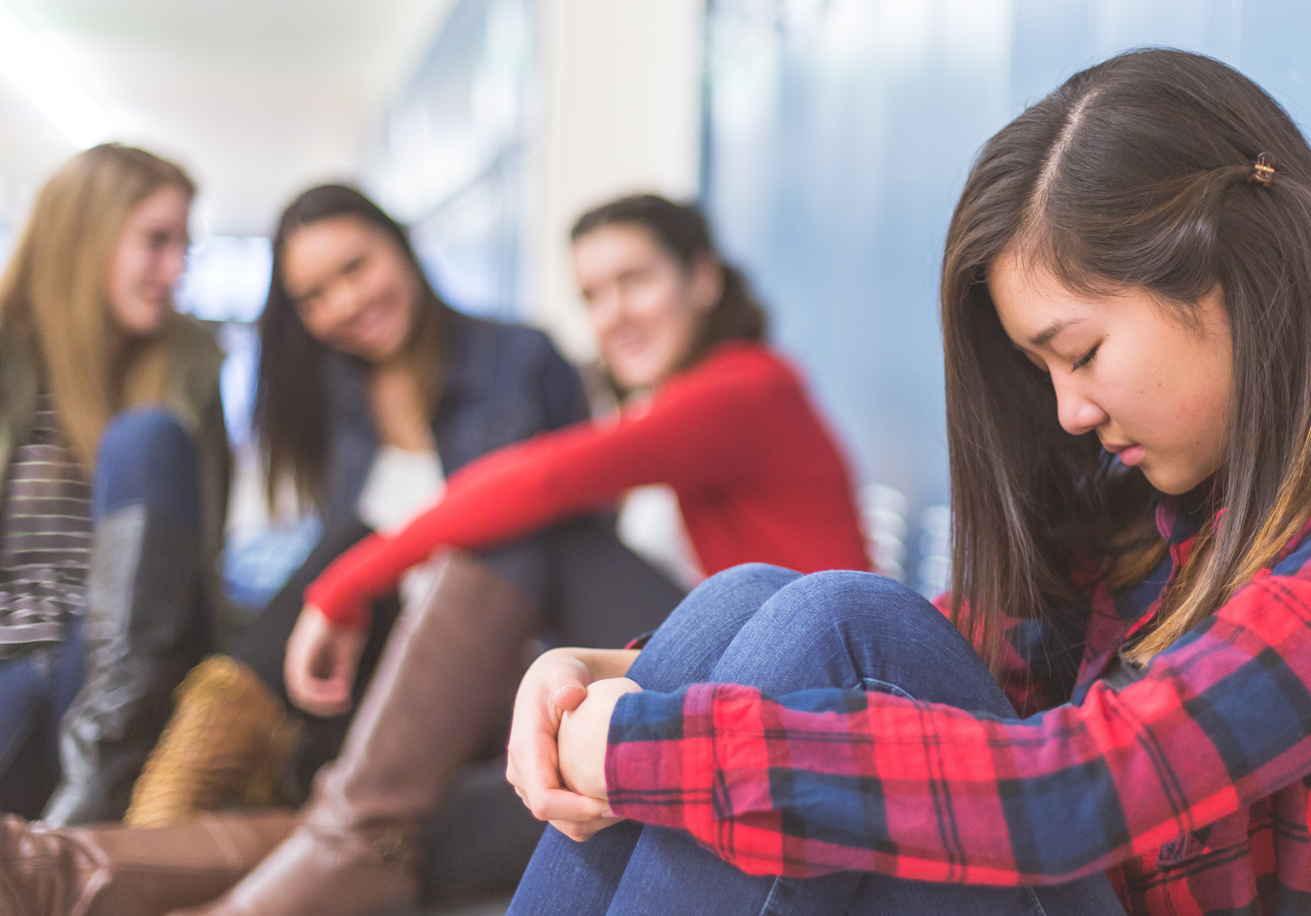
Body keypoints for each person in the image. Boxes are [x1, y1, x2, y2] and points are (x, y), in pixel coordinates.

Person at [505, 49, 1311, 916]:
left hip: (1082, 839)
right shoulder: (1178, 508)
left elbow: (1078, 793)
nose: (1069, 413)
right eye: (1043, 370)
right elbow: (965, 651)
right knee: (753, 604)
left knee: (829, 621)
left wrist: (646, 742)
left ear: (1236, 272)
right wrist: (611, 674)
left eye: (1082, 351)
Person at [170, 194, 869, 916]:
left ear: (703, 279)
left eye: (636, 281)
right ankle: (67, 868)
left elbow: (540, 481)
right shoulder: (687, 396)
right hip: (731, 691)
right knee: (390, 827)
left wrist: (340, 587)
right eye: (593, 294)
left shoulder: (746, 390)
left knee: (543, 529)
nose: (613, 314)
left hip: (792, 706)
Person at [0, 143, 235, 826]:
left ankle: (86, 804)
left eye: (184, 246)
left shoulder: (189, 364)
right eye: (155, 242)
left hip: (120, 679)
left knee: (147, 437)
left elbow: (193, 571)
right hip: (15, 669)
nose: (175, 269)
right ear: (87, 233)